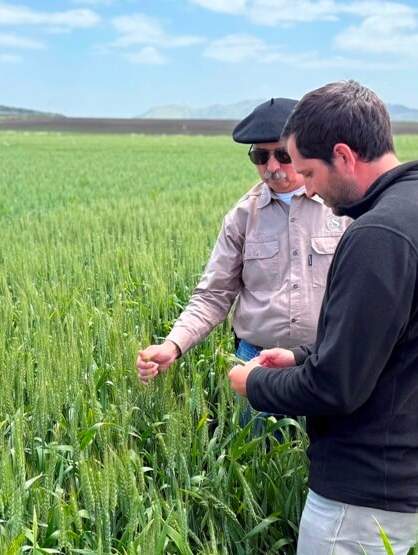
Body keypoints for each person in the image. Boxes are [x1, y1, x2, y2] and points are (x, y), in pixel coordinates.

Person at [228, 80, 418, 555]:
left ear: (343, 155)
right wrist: (300, 356)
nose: (311, 190)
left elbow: (336, 387)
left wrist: (255, 383)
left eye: (309, 171)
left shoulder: (378, 235)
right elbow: (393, 345)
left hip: (365, 498)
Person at [136, 98, 349, 431]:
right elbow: (213, 295)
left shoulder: (342, 209)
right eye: (260, 157)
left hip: (325, 363)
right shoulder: (241, 217)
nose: (271, 167)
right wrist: (172, 345)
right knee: (256, 456)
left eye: (282, 155)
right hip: (256, 361)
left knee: (321, 459)